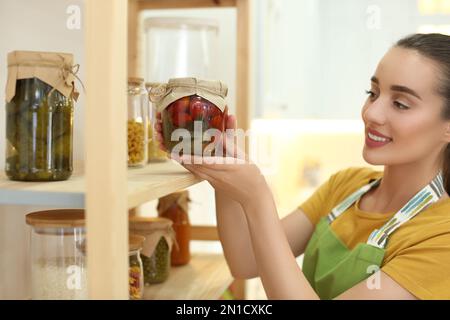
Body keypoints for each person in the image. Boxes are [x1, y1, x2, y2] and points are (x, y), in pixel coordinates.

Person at [156, 33, 450, 300]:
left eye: (400, 104)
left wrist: (258, 198)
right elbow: (245, 260)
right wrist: (221, 165)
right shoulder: (347, 186)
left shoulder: (442, 238)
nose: (372, 113)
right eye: (372, 93)